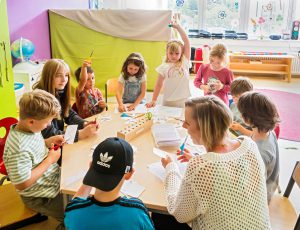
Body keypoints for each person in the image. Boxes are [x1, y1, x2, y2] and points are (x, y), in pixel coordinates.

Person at [160, 96, 271, 229]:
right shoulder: (248, 144)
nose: (183, 126)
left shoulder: (201, 166)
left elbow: (180, 214)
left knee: (161, 218)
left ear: (204, 128)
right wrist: (198, 158)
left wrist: (171, 169)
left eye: (188, 123)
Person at [64, 137, 154, 230]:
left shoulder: (73, 211)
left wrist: (93, 173)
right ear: (129, 174)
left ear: (90, 166)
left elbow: (75, 202)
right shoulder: (137, 212)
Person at [3, 89, 66, 224]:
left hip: (51, 181)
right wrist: (50, 160)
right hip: (39, 196)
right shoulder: (18, 148)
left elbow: (32, 147)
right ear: (31, 121)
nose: (49, 125)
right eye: (47, 122)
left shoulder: (30, 129)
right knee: (73, 213)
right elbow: (22, 183)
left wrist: (49, 142)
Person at [33, 59, 98, 142]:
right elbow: (49, 134)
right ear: (48, 76)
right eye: (58, 75)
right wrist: (80, 134)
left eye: (66, 75)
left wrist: (84, 124)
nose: (64, 80)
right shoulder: (39, 100)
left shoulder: (59, 90)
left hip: (59, 141)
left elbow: (69, 114)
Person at [238, 92, 280, 203]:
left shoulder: (260, 152)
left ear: (247, 119)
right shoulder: (268, 131)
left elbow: (251, 188)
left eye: (241, 113)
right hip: (267, 183)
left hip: (259, 198)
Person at [146, 21, 191, 108]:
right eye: (171, 53)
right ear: (167, 53)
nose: (174, 56)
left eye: (177, 53)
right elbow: (158, 84)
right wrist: (154, 100)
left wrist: (178, 28)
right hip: (168, 100)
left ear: (181, 53)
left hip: (183, 100)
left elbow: (186, 41)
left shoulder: (185, 61)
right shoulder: (163, 67)